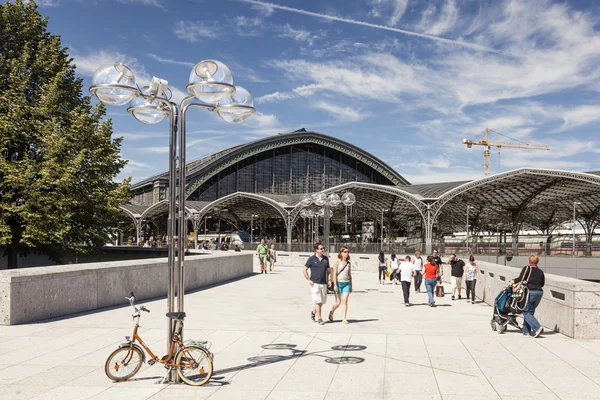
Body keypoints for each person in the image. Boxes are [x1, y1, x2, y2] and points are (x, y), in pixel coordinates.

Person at [512, 255, 545, 337]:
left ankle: (537, 328)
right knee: (530, 311)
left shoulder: (527, 268)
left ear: (529, 261)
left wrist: (513, 281)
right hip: (539, 292)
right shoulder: (540, 271)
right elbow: (542, 283)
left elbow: (521, 278)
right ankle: (526, 331)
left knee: (526, 311)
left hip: (530, 292)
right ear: (537, 261)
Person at [303, 242, 330, 325]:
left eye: (323, 248)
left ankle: (313, 312)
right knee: (318, 302)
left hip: (324, 283)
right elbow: (304, 269)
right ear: (316, 250)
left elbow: (328, 271)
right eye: (321, 248)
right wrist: (309, 279)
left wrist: (329, 280)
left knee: (321, 302)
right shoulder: (311, 259)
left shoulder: (326, 259)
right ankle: (320, 318)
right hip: (315, 284)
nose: (323, 250)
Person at [329, 246, 353, 324]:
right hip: (338, 283)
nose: (347, 253)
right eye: (345, 252)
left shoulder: (348, 263)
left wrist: (351, 286)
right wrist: (335, 285)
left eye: (347, 252)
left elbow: (349, 275)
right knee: (338, 302)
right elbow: (335, 274)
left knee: (345, 301)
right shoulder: (337, 262)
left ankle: (344, 318)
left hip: (346, 283)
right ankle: (332, 311)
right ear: (341, 253)